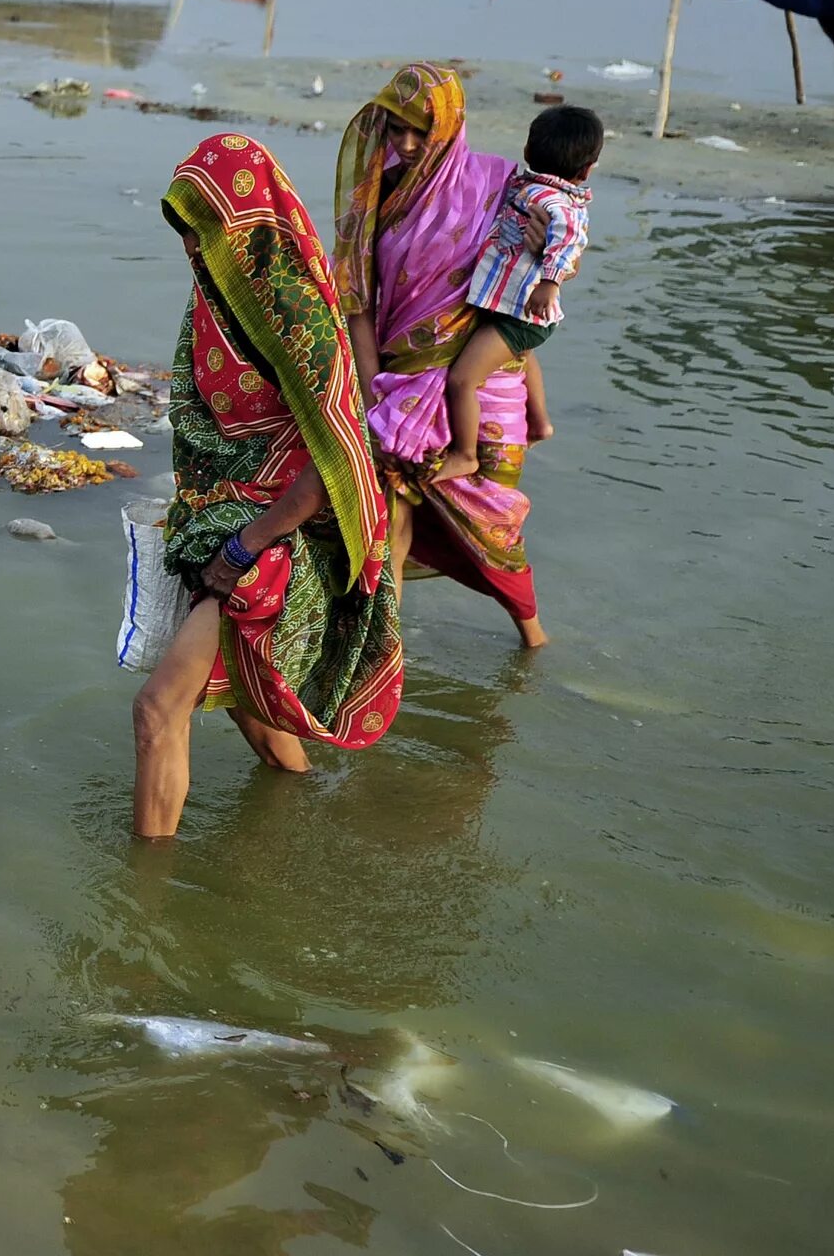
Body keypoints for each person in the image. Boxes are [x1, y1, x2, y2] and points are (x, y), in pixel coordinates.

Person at [131, 135, 400, 841]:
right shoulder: (214, 303)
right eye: (182, 230)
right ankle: (315, 829)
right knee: (253, 713)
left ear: (244, 223)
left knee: (159, 712)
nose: (191, 246)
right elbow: (209, 431)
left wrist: (244, 546)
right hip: (223, 525)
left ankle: (142, 905)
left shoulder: (300, 316)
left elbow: (336, 462)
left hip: (281, 541)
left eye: (203, 228)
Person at [330, 63, 550, 645]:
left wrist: (541, 252)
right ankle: (384, 653)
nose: (404, 144)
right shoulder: (374, 194)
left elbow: (530, 287)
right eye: (394, 129)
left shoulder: (501, 186)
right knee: (389, 527)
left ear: (449, 127)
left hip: (484, 387)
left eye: (419, 132)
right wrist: (374, 392)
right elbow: (356, 301)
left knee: (493, 524)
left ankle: (534, 639)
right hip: (397, 383)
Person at [439, 105, 601, 489]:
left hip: (519, 315)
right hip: (518, 312)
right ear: (587, 169)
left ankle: (464, 454)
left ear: (527, 151)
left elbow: (569, 242)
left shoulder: (555, 203)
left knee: (462, 379)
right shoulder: (530, 188)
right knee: (525, 356)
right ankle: (541, 422)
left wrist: (551, 282)